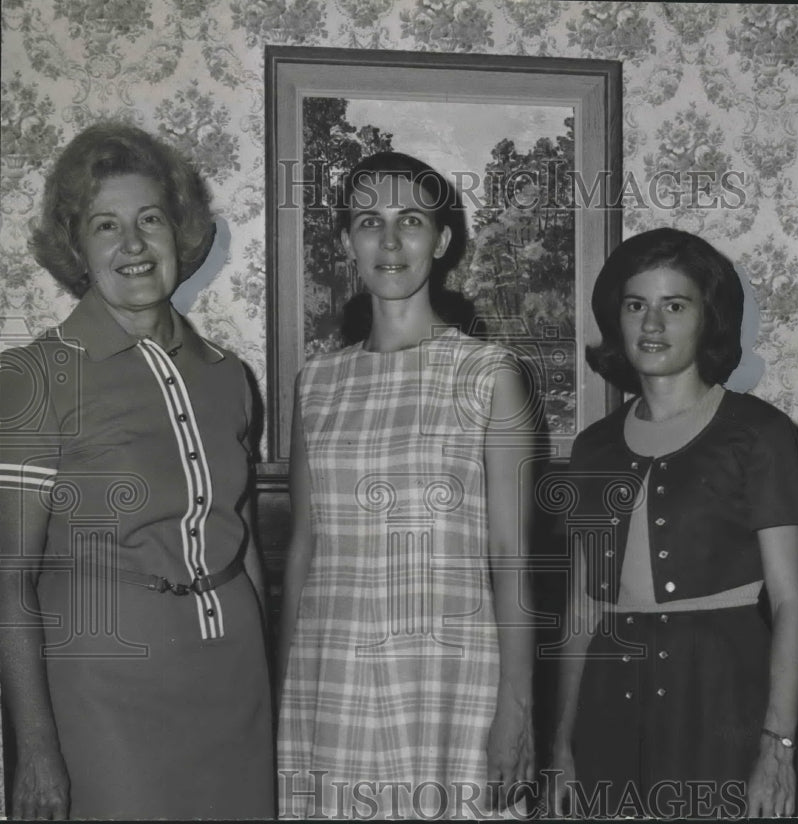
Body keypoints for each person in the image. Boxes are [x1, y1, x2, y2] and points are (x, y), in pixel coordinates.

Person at [0, 122, 274, 820]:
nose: (132, 244)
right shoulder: (34, 375)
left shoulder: (229, 375)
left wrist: (269, 671)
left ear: (179, 231)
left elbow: (245, 546)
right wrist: (34, 748)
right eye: (105, 225)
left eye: (150, 219)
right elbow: (9, 580)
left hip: (232, 678)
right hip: (102, 691)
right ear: (75, 247)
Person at [276, 152, 536, 819]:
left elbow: (511, 554)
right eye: (369, 221)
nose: (390, 241)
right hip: (332, 672)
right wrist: (285, 687)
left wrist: (516, 704)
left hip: (451, 676)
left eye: (411, 220)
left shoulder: (489, 374)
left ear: (442, 240)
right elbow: (303, 546)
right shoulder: (317, 384)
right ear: (347, 242)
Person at [548, 228, 798, 818]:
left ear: (707, 317)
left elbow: (792, 603)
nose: (652, 324)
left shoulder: (759, 435)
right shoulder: (592, 449)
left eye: (675, 305)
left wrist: (778, 745)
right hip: (610, 697)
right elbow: (583, 610)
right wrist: (561, 744)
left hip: (724, 696)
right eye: (636, 304)